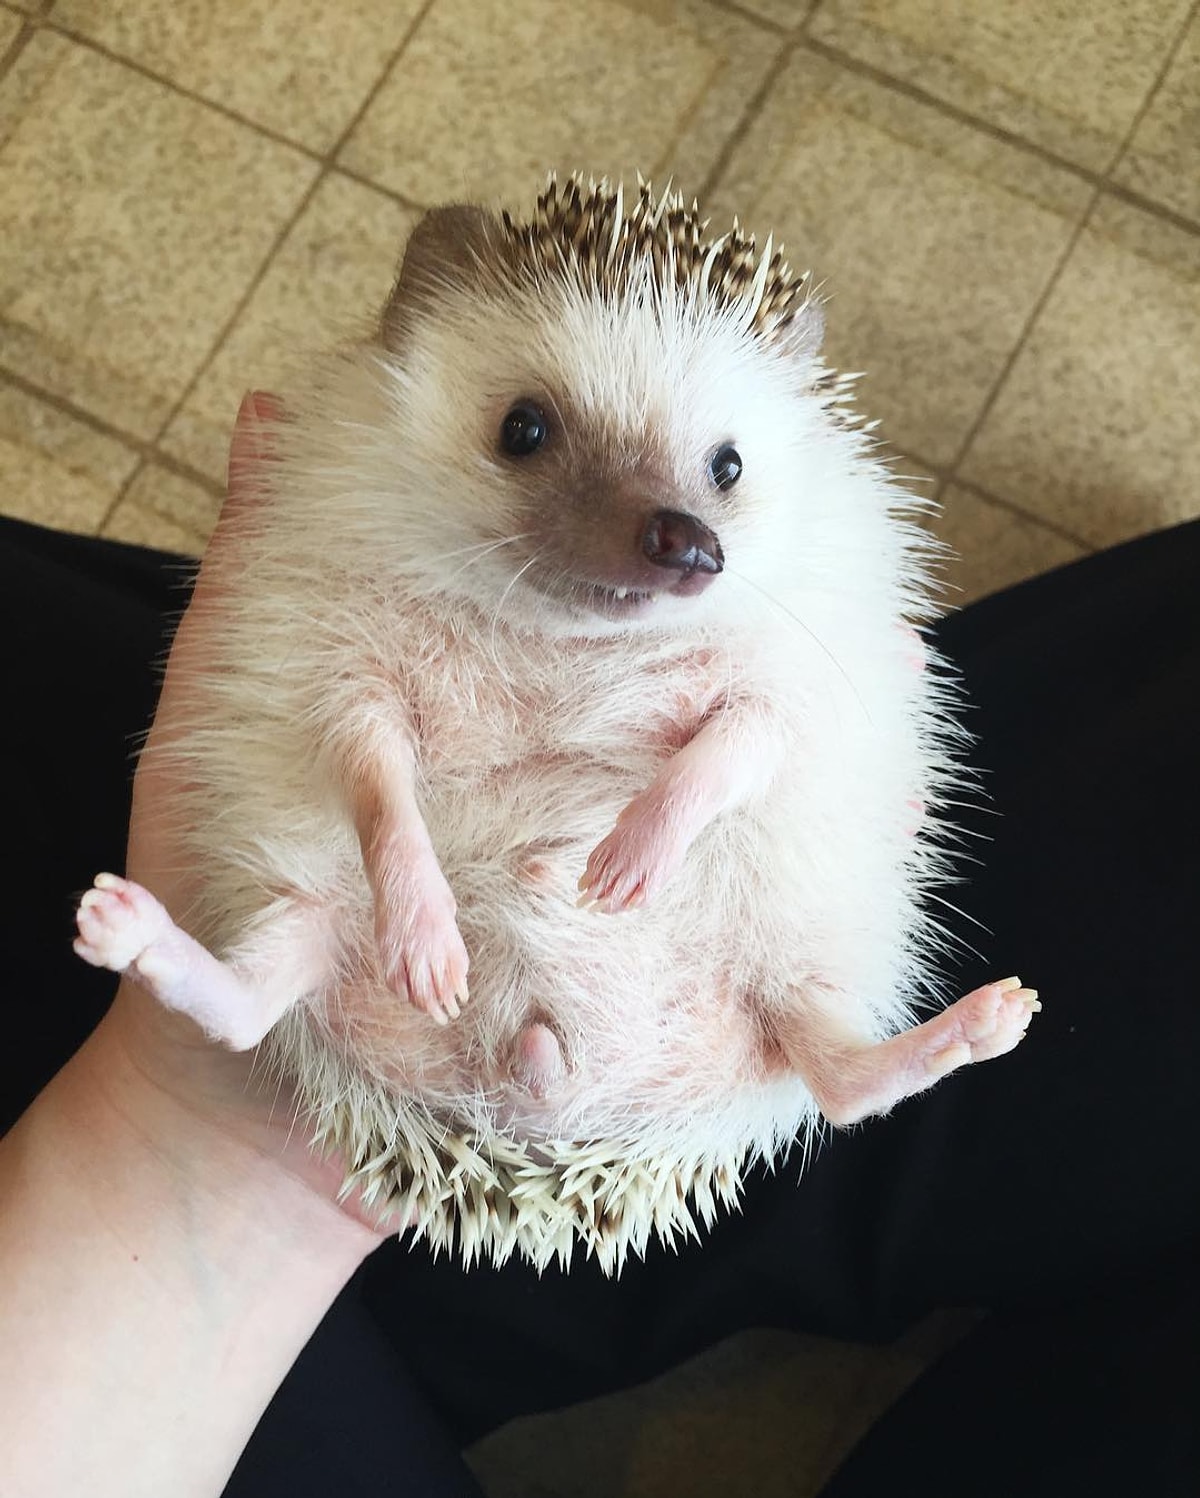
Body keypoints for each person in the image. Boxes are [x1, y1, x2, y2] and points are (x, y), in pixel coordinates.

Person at [2, 394, 1197, 1497]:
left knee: (781, 928)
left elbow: (760, 730)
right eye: (530, 433)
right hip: (427, 1046)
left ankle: (843, 1059)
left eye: (720, 471)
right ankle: (231, 997)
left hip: (578, 1028)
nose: (667, 529)